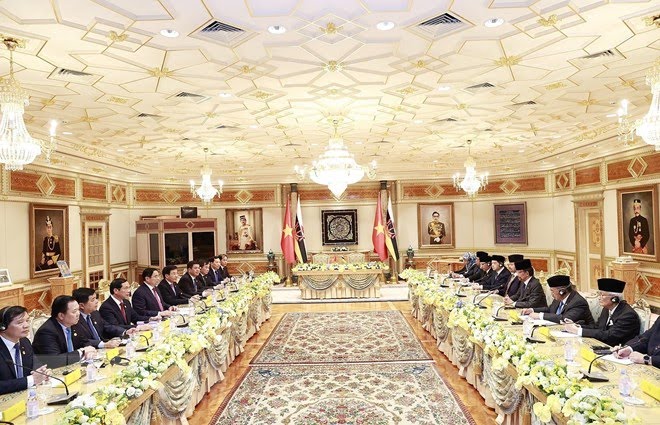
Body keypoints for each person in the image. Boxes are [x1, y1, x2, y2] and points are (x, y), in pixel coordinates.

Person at [563, 278, 640, 347]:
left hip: (618, 351)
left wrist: (578, 331)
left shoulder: (627, 315)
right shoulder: (606, 309)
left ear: (614, 299)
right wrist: (577, 326)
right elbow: (597, 327)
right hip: (602, 345)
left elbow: (609, 336)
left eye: (602, 295)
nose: (599, 298)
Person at [33, 295, 96, 367]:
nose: (78, 314)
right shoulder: (46, 332)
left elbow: (85, 342)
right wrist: (81, 352)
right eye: (74, 311)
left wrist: (89, 351)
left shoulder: (74, 324)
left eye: (78, 310)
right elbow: (55, 360)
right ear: (61, 316)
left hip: (73, 367)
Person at [0, 306, 51, 395]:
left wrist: (43, 373)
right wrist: (31, 380)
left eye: (27, 320)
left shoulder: (24, 342)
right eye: (20, 322)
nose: (26, 325)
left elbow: (35, 365)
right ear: (3, 327)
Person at [71, 287, 135, 350]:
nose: (96, 301)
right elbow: (82, 340)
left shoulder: (95, 313)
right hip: (90, 351)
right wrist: (103, 344)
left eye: (96, 298)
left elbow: (107, 326)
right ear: (81, 306)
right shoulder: (75, 320)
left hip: (104, 348)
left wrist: (125, 332)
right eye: (92, 300)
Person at [521, 275, 594, 325]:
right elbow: (550, 309)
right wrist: (532, 310)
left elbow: (564, 318)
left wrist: (540, 315)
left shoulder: (578, 302)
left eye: (552, 291)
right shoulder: (559, 298)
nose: (551, 294)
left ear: (562, 291)